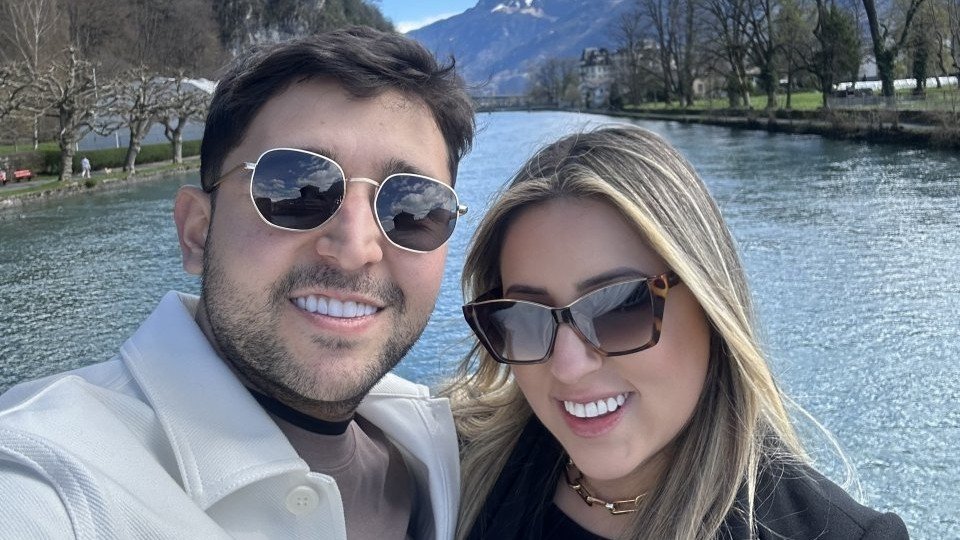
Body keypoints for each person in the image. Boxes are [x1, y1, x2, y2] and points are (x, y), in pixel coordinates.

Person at [0, 26, 474, 539]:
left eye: (412, 208)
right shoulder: (50, 475)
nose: (356, 248)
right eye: (296, 189)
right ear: (197, 232)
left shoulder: (441, 446)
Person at [450, 125, 908, 539]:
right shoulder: (450, 467)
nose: (568, 367)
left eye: (619, 306)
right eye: (523, 316)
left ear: (711, 304)